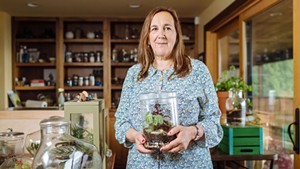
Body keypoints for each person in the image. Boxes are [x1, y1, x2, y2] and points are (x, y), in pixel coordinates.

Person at [114, 6, 223, 169]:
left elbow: (214, 123)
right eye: (155, 29)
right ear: (148, 38)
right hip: (142, 164)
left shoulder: (198, 70)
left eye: (167, 28)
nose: (161, 35)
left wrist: (192, 132)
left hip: (190, 164)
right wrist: (135, 135)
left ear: (177, 35)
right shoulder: (134, 74)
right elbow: (121, 122)